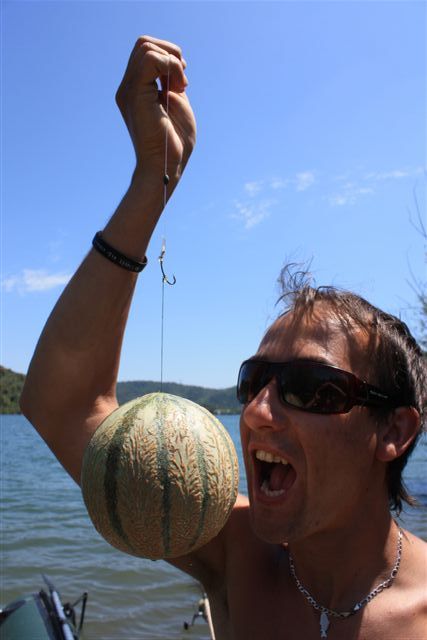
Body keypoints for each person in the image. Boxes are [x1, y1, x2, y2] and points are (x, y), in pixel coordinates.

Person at [20, 36, 427, 639]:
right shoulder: (234, 547)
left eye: (309, 387)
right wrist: (152, 181)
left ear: (394, 430)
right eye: (254, 381)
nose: (256, 412)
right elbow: (63, 405)